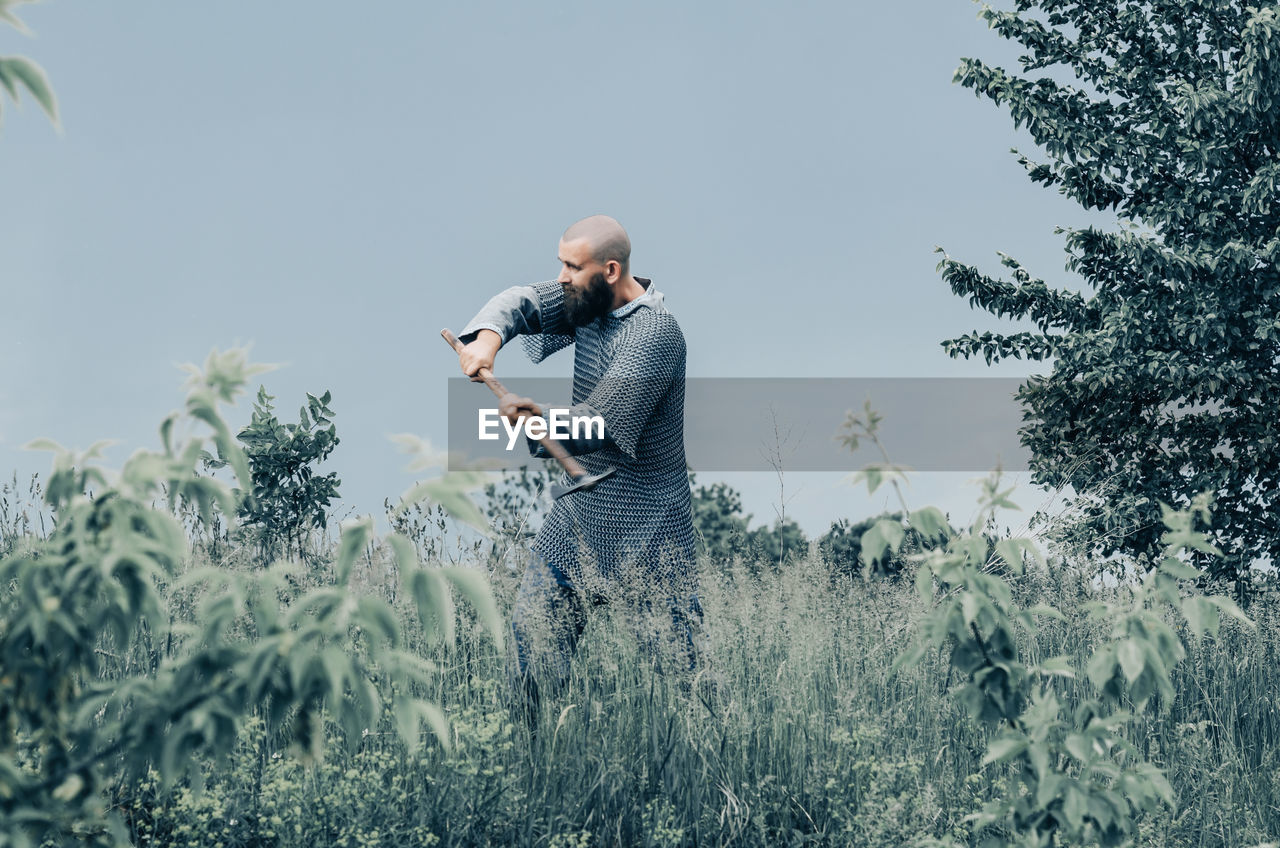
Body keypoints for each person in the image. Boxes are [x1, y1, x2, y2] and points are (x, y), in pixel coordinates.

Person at [455, 215, 701, 726]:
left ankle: (718, 772)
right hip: (577, 518)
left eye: (572, 265)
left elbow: (606, 424)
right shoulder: (587, 303)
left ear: (609, 270)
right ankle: (529, 764)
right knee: (530, 665)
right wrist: (487, 339)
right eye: (560, 264)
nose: (562, 277)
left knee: (686, 687)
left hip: (649, 529)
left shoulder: (656, 334)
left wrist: (538, 417)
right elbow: (523, 302)